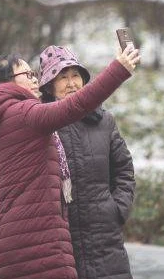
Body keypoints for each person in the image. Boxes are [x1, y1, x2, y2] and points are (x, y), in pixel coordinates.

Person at [0, 46, 140, 279]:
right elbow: (76, 106)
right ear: (8, 82)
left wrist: (114, 209)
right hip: (42, 237)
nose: (34, 80)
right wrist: (119, 69)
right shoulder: (28, 113)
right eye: (27, 75)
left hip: (8, 241)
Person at [38, 45, 135, 279]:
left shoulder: (104, 121)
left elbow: (123, 169)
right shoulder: (40, 124)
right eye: (62, 77)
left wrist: (117, 209)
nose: (71, 83)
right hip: (60, 237)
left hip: (104, 236)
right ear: (49, 85)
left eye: (75, 75)